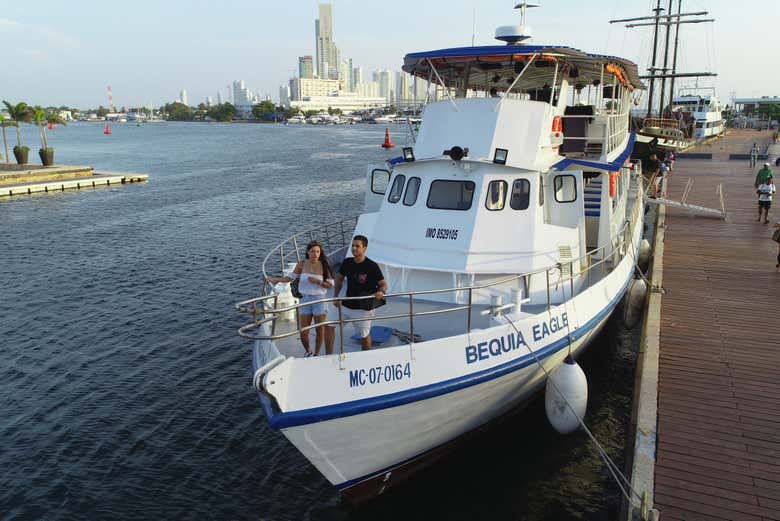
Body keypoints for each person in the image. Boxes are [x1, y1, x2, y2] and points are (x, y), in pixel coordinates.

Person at [267, 240, 335, 357]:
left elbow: (330, 285)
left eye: (317, 251)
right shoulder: (302, 264)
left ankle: (316, 354)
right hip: (305, 300)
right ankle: (308, 351)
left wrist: (318, 282)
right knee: (303, 331)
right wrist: (275, 279)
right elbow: (290, 278)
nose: (315, 254)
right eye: (312, 251)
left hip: (319, 300)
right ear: (308, 252)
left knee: (319, 330)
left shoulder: (324, 265)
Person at [333, 235, 387, 351]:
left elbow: (383, 284)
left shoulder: (372, 266)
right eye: (352, 245)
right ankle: (328, 354)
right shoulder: (347, 262)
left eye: (357, 246)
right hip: (347, 304)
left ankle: (366, 357)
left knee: (364, 335)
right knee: (329, 326)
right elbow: (340, 279)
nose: (353, 248)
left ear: (364, 248)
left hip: (363, 308)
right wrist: (335, 296)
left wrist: (381, 291)